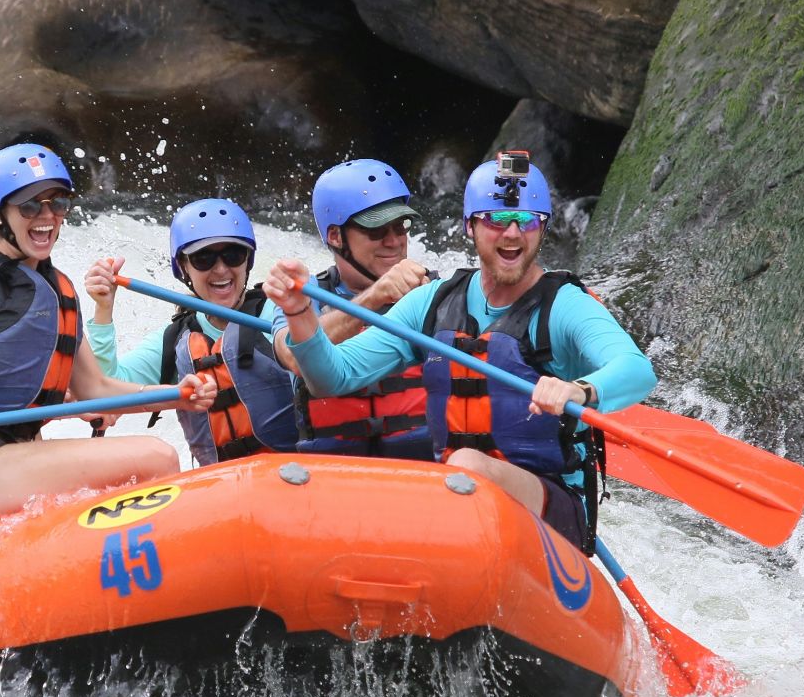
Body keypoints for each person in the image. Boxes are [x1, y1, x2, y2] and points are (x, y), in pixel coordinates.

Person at [262, 152, 658, 551]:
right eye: (497, 220)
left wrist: (579, 390)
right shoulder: (433, 303)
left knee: (467, 465)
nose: (513, 234)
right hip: (456, 501)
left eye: (528, 221)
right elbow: (335, 376)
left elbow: (636, 369)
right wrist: (300, 316)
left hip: (550, 506)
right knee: (456, 475)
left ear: (544, 228)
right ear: (470, 226)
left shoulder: (565, 305)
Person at [0, 143, 216, 530]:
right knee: (157, 456)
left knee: (148, 458)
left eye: (57, 203)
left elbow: (94, 388)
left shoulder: (60, 289)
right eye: (30, 206)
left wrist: (174, 394)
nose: (46, 216)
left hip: (17, 455)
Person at [82, 198, 299, 466]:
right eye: (203, 258)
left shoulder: (279, 313)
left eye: (233, 254)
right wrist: (104, 309)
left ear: (248, 261)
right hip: (218, 484)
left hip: (295, 473)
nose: (221, 269)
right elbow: (103, 390)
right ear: (184, 267)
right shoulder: (175, 339)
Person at [267, 159, 437, 459]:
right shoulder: (299, 297)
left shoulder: (436, 291)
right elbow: (294, 357)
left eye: (401, 226)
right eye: (377, 230)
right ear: (335, 237)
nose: (394, 240)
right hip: (334, 471)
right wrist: (374, 297)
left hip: (424, 466)